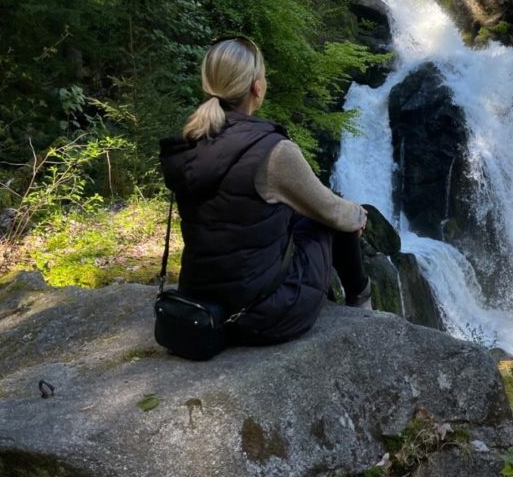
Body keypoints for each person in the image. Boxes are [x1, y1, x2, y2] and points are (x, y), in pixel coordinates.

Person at [159, 36, 371, 345]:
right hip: (262, 315)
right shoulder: (272, 151)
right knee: (333, 220)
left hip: (200, 305)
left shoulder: (189, 143)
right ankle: (362, 304)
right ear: (257, 87)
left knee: (291, 212)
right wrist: (359, 213)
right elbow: (333, 212)